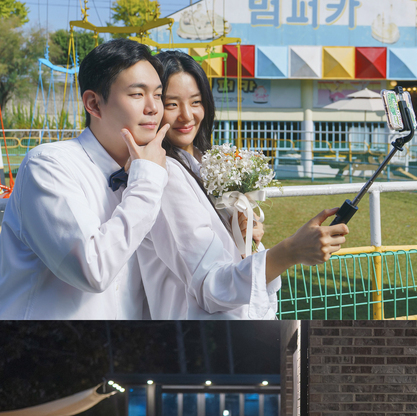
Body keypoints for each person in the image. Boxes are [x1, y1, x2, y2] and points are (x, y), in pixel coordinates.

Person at [137, 50, 349, 319]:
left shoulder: (205, 164)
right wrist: (290, 251)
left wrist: (244, 237)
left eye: (196, 101)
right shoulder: (165, 175)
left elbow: (226, 260)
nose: (187, 115)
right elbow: (211, 287)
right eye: (171, 104)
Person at [0, 39, 170, 319]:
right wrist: (148, 181)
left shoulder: (151, 171)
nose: (153, 107)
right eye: (137, 94)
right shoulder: (48, 165)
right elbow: (93, 270)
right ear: (93, 103)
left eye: (158, 94)